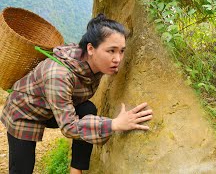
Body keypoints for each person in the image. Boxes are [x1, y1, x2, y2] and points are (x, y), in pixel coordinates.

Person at [0, 13, 153, 174]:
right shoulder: (59, 75)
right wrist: (114, 124)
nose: (118, 58)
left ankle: (76, 171)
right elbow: (68, 127)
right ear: (91, 49)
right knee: (22, 168)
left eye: (121, 51)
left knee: (87, 110)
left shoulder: (94, 62)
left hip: (52, 108)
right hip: (25, 112)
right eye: (111, 51)